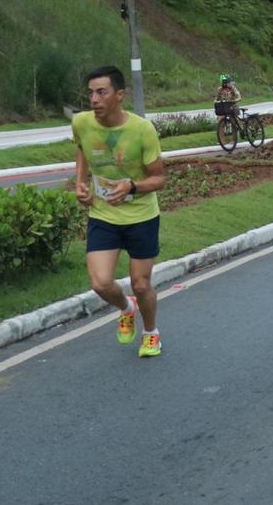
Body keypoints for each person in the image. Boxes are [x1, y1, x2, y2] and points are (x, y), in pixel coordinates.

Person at [73, 66, 167, 358]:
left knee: (141, 283)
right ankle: (126, 309)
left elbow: (159, 178)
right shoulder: (81, 123)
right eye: (90, 93)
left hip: (141, 216)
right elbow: (81, 151)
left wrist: (131, 186)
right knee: (100, 283)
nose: (94, 99)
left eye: (101, 92)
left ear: (120, 95)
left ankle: (151, 332)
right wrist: (81, 184)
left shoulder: (142, 129)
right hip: (104, 215)